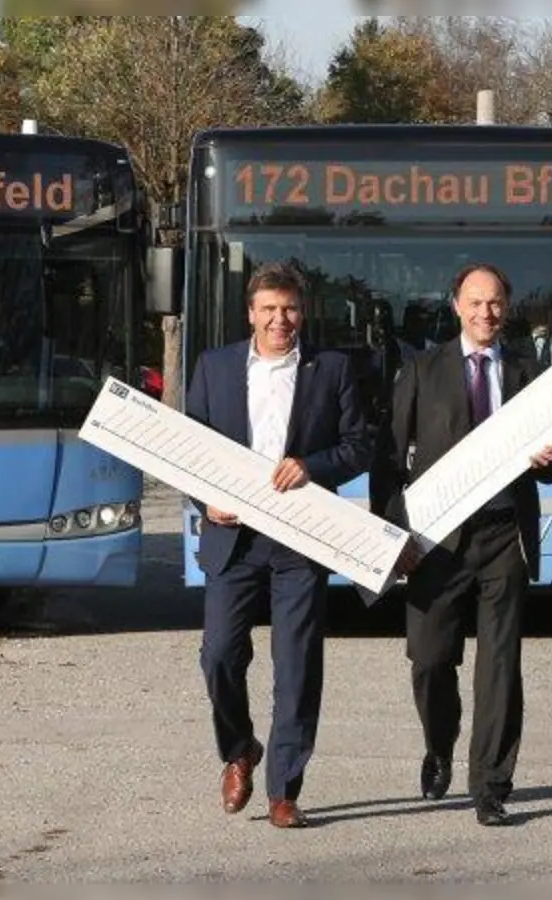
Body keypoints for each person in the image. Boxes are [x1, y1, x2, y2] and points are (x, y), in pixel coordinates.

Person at [183, 260, 372, 829]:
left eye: (288, 308)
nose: (279, 319)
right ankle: (239, 748)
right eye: (268, 310)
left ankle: (283, 791)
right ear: (251, 314)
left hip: (299, 540)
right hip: (232, 538)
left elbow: (359, 445)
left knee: (296, 666)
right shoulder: (213, 367)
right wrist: (203, 501)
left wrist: (310, 467)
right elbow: (186, 448)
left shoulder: (331, 369)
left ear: (302, 311)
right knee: (219, 654)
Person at [375, 262, 552, 827]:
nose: (487, 313)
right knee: (430, 660)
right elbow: (388, 461)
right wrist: (390, 534)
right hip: (435, 541)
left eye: (496, 303)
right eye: (476, 303)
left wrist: (550, 457)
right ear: (456, 305)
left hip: (504, 533)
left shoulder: (531, 373)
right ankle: (439, 745)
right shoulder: (421, 370)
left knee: (500, 665)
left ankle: (491, 785)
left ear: (508, 307)